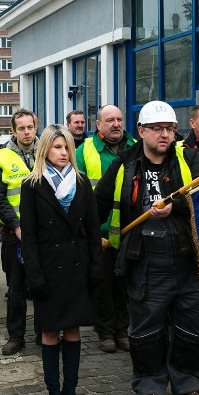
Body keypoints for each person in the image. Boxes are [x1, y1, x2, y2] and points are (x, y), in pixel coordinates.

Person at [95, 101, 199, 395]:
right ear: (141, 131)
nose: (165, 134)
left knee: (194, 329)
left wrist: (179, 207)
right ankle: (149, 386)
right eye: (158, 128)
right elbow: (99, 204)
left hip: (187, 261)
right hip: (144, 263)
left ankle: (188, 384)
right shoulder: (124, 164)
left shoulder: (189, 158)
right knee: (147, 331)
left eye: (170, 128)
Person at [20, 125, 102, 395]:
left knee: (73, 330)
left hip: (77, 268)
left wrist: (95, 268)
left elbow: (93, 231)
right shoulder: (32, 185)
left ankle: (71, 392)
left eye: (66, 147)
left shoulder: (81, 183)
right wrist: (35, 276)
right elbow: (28, 237)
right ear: (45, 150)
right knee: (50, 332)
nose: (63, 153)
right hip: (48, 269)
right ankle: (54, 394)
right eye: (57, 147)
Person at [76, 104, 136, 354]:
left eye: (119, 119)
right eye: (109, 120)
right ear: (98, 124)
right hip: (100, 230)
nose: (116, 124)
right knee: (102, 283)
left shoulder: (135, 146)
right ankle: (106, 331)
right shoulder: (84, 150)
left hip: (129, 228)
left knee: (125, 284)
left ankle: (123, 330)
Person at [0, 109, 39, 355]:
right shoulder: (1, 157)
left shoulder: (49, 151)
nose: (26, 132)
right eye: (21, 128)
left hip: (44, 234)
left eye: (30, 127)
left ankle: (45, 333)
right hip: (15, 234)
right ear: (13, 131)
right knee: (17, 290)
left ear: (36, 126)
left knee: (44, 287)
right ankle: (15, 337)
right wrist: (17, 226)